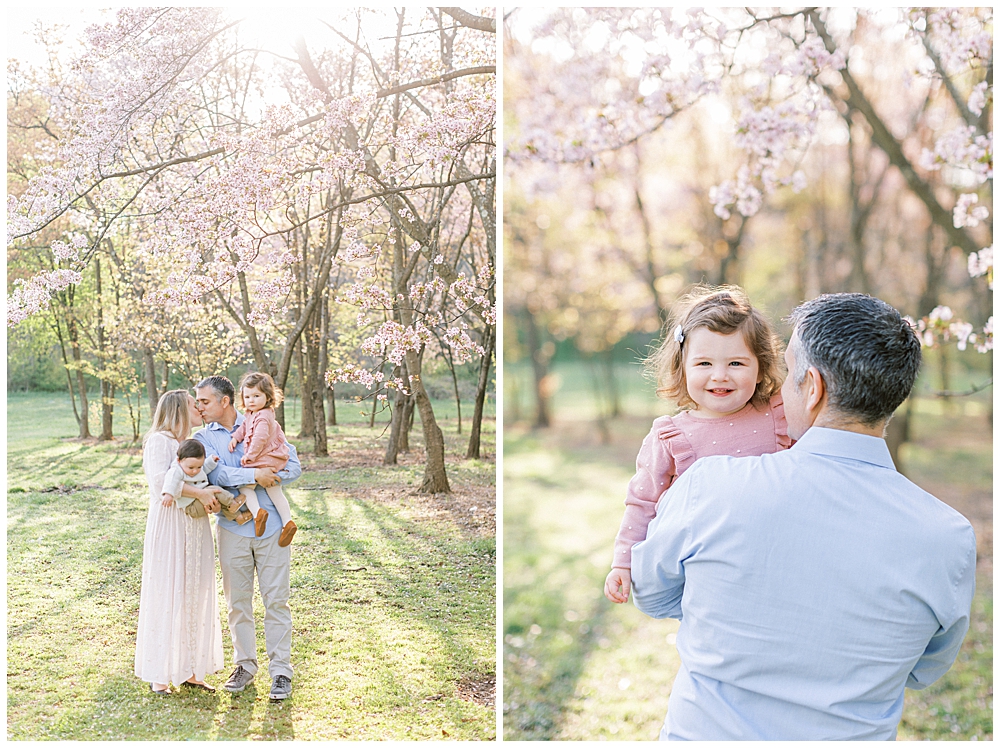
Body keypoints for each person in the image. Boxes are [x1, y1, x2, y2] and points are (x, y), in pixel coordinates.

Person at [631, 293, 976, 740]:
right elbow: (924, 668)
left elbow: (650, 593)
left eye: (789, 373)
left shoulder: (709, 486)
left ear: (812, 387)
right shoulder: (948, 537)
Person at [605, 286, 789, 604]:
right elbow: (643, 502)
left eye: (736, 364)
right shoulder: (670, 438)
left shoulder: (780, 414)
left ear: (760, 368)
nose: (720, 376)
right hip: (711, 578)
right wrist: (623, 563)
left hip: (781, 563)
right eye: (704, 364)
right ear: (683, 366)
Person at [194, 375, 301, 701]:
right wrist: (256, 474)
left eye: (204, 401)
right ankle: (245, 664)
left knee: (276, 600)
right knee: (237, 603)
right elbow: (216, 474)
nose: (199, 407)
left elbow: (294, 465)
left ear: (225, 401)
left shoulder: (264, 420)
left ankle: (281, 671)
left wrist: (273, 474)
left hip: (272, 533)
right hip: (232, 530)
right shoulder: (203, 437)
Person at [135, 390, 224, 694]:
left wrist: (209, 497)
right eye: (192, 404)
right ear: (178, 410)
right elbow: (162, 483)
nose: (199, 408)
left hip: (194, 524)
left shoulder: (188, 444)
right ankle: (160, 673)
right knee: (169, 589)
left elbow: (203, 475)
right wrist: (201, 494)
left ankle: (191, 669)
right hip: (171, 523)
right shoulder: (159, 441)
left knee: (194, 589)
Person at [228, 372, 297, 547]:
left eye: (256, 396)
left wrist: (249, 457)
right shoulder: (252, 413)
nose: (251, 400)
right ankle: (287, 522)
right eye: (247, 396)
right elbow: (244, 428)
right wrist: (236, 438)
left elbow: (259, 438)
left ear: (267, 396)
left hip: (265, 458)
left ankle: (258, 512)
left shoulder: (264, 416)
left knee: (245, 486)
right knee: (275, 490)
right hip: (272, 459)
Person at [161, 438, 251, 522]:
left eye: (199, 467)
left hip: (199, 500)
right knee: (215, 491)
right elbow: (171, 480)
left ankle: (238, 517)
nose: (195, 471)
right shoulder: (176, 470)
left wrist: (211, 461)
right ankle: (232, 502)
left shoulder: (195, 468)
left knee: (218, 499)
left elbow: (204, 469)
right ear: (179, 460)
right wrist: (168, 494)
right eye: (191, 467)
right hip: (192, 506)